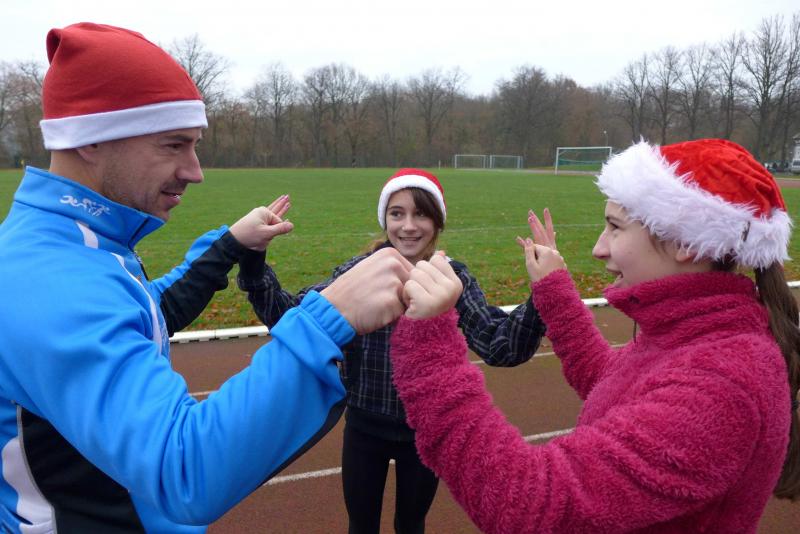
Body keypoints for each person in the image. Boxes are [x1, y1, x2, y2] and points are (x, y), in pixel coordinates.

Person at [0, 23, 414, 532]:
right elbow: (184, 469)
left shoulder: (75, 245)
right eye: (174, 145)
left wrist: (229, 245)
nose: (195, 170)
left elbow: (143, 313)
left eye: (194, 145)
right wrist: (327, 322)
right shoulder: (53, 280)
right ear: (91, 139)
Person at [388, 139, 800, 533]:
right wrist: (554, 289)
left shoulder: (722, 384)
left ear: (684, 243)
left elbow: (528, 503)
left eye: (615, 227)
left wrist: (429, 344)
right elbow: (611, 381)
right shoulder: (693, 334)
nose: (599, 249)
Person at [236, 168, 547, 533]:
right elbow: (292, 318)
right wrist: (254, 261)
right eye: (397, 213)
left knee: (411, 524)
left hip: (426, 433)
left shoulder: (451, 278)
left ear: (438, 222)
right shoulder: (359, 273)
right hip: (364, 428)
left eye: (421, 214)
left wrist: (544, 291)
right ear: (385, 219)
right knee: (361, 525)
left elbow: (500, 346)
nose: (408, 226)